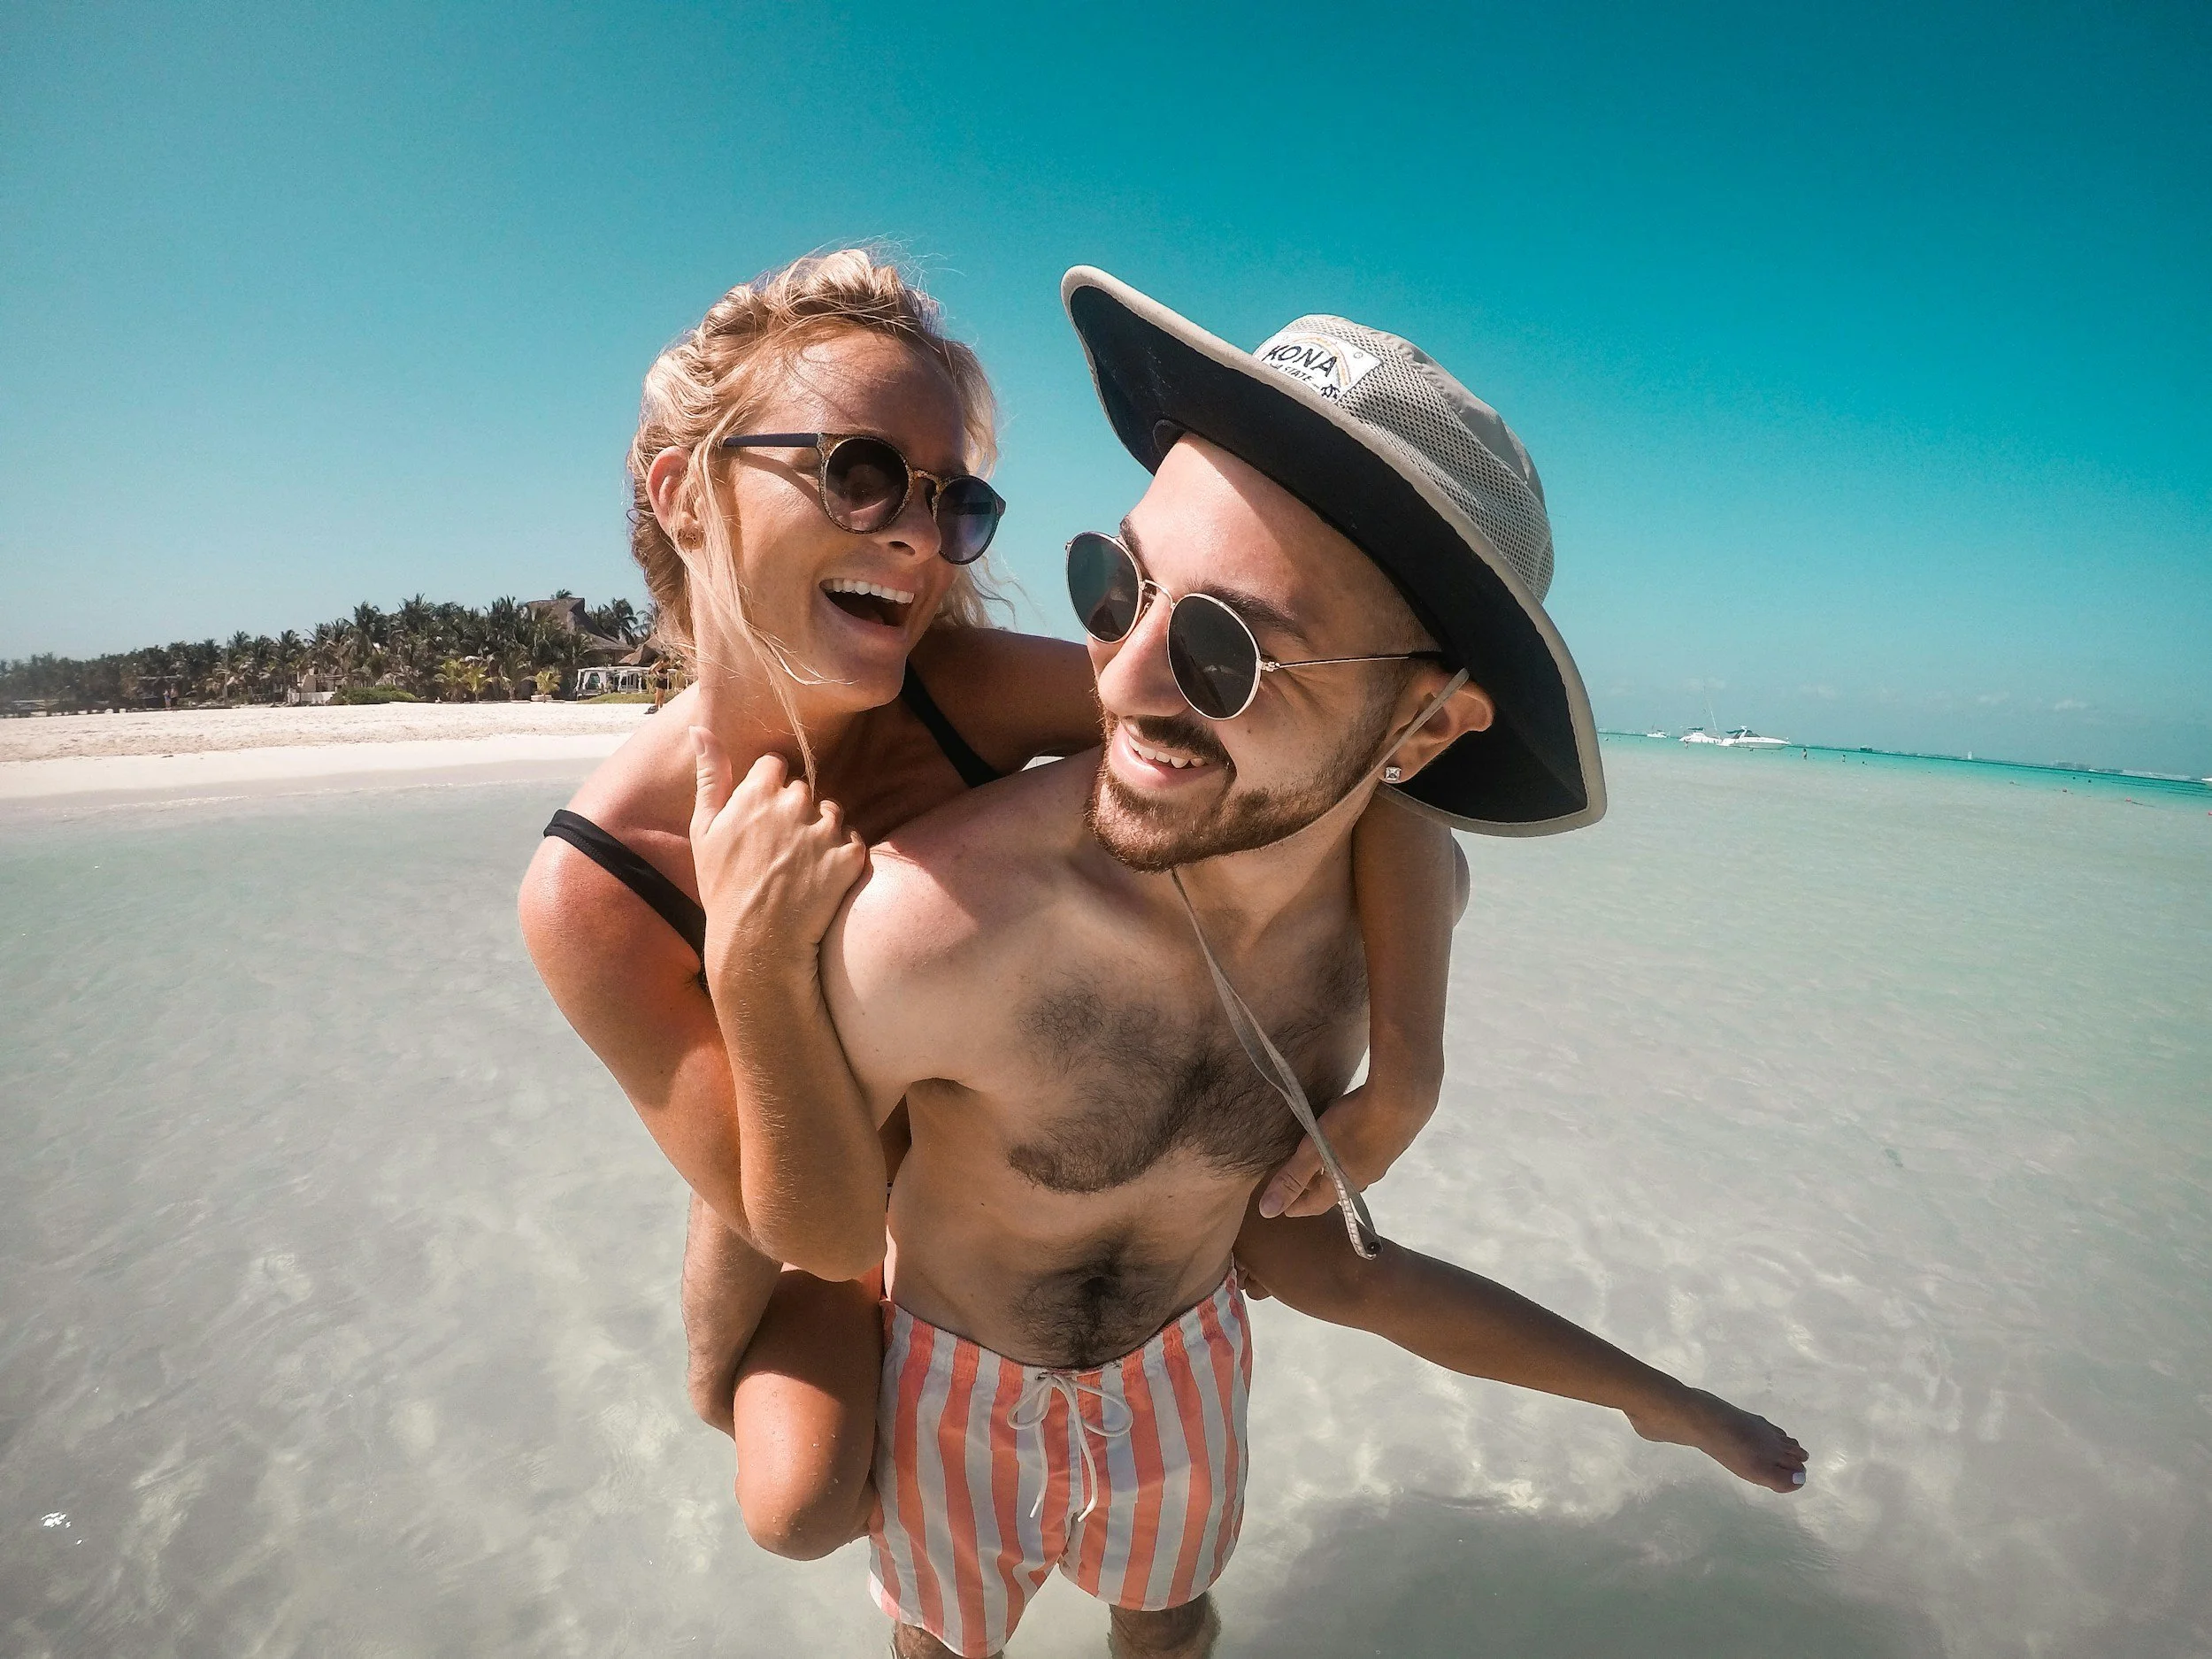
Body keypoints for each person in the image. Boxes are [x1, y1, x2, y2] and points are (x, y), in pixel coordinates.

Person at [690, 269, 1807, 1659]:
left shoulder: (1391, 924)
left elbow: (1334, 1262)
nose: (1125, 682)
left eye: (1229, 652)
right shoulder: (937, 929)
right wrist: (719, 1378)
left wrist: (1656, 1394)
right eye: (1122, 586)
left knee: (1170, 1628)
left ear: (1428, 728)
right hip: (948, 1383)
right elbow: (783, 1214)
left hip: (1186, 1369)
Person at [520, 250, 1477, 1556]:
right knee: (796, 1506)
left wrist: (1407, 1074)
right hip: (778, 1170)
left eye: (952, 500)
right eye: (857, 472)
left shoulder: (959, 690)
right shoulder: (598, 884)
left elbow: (1345, 775)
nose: (915, 535)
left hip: (946, 1155)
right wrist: (752, 963)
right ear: (685, 493)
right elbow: (820, 1219)